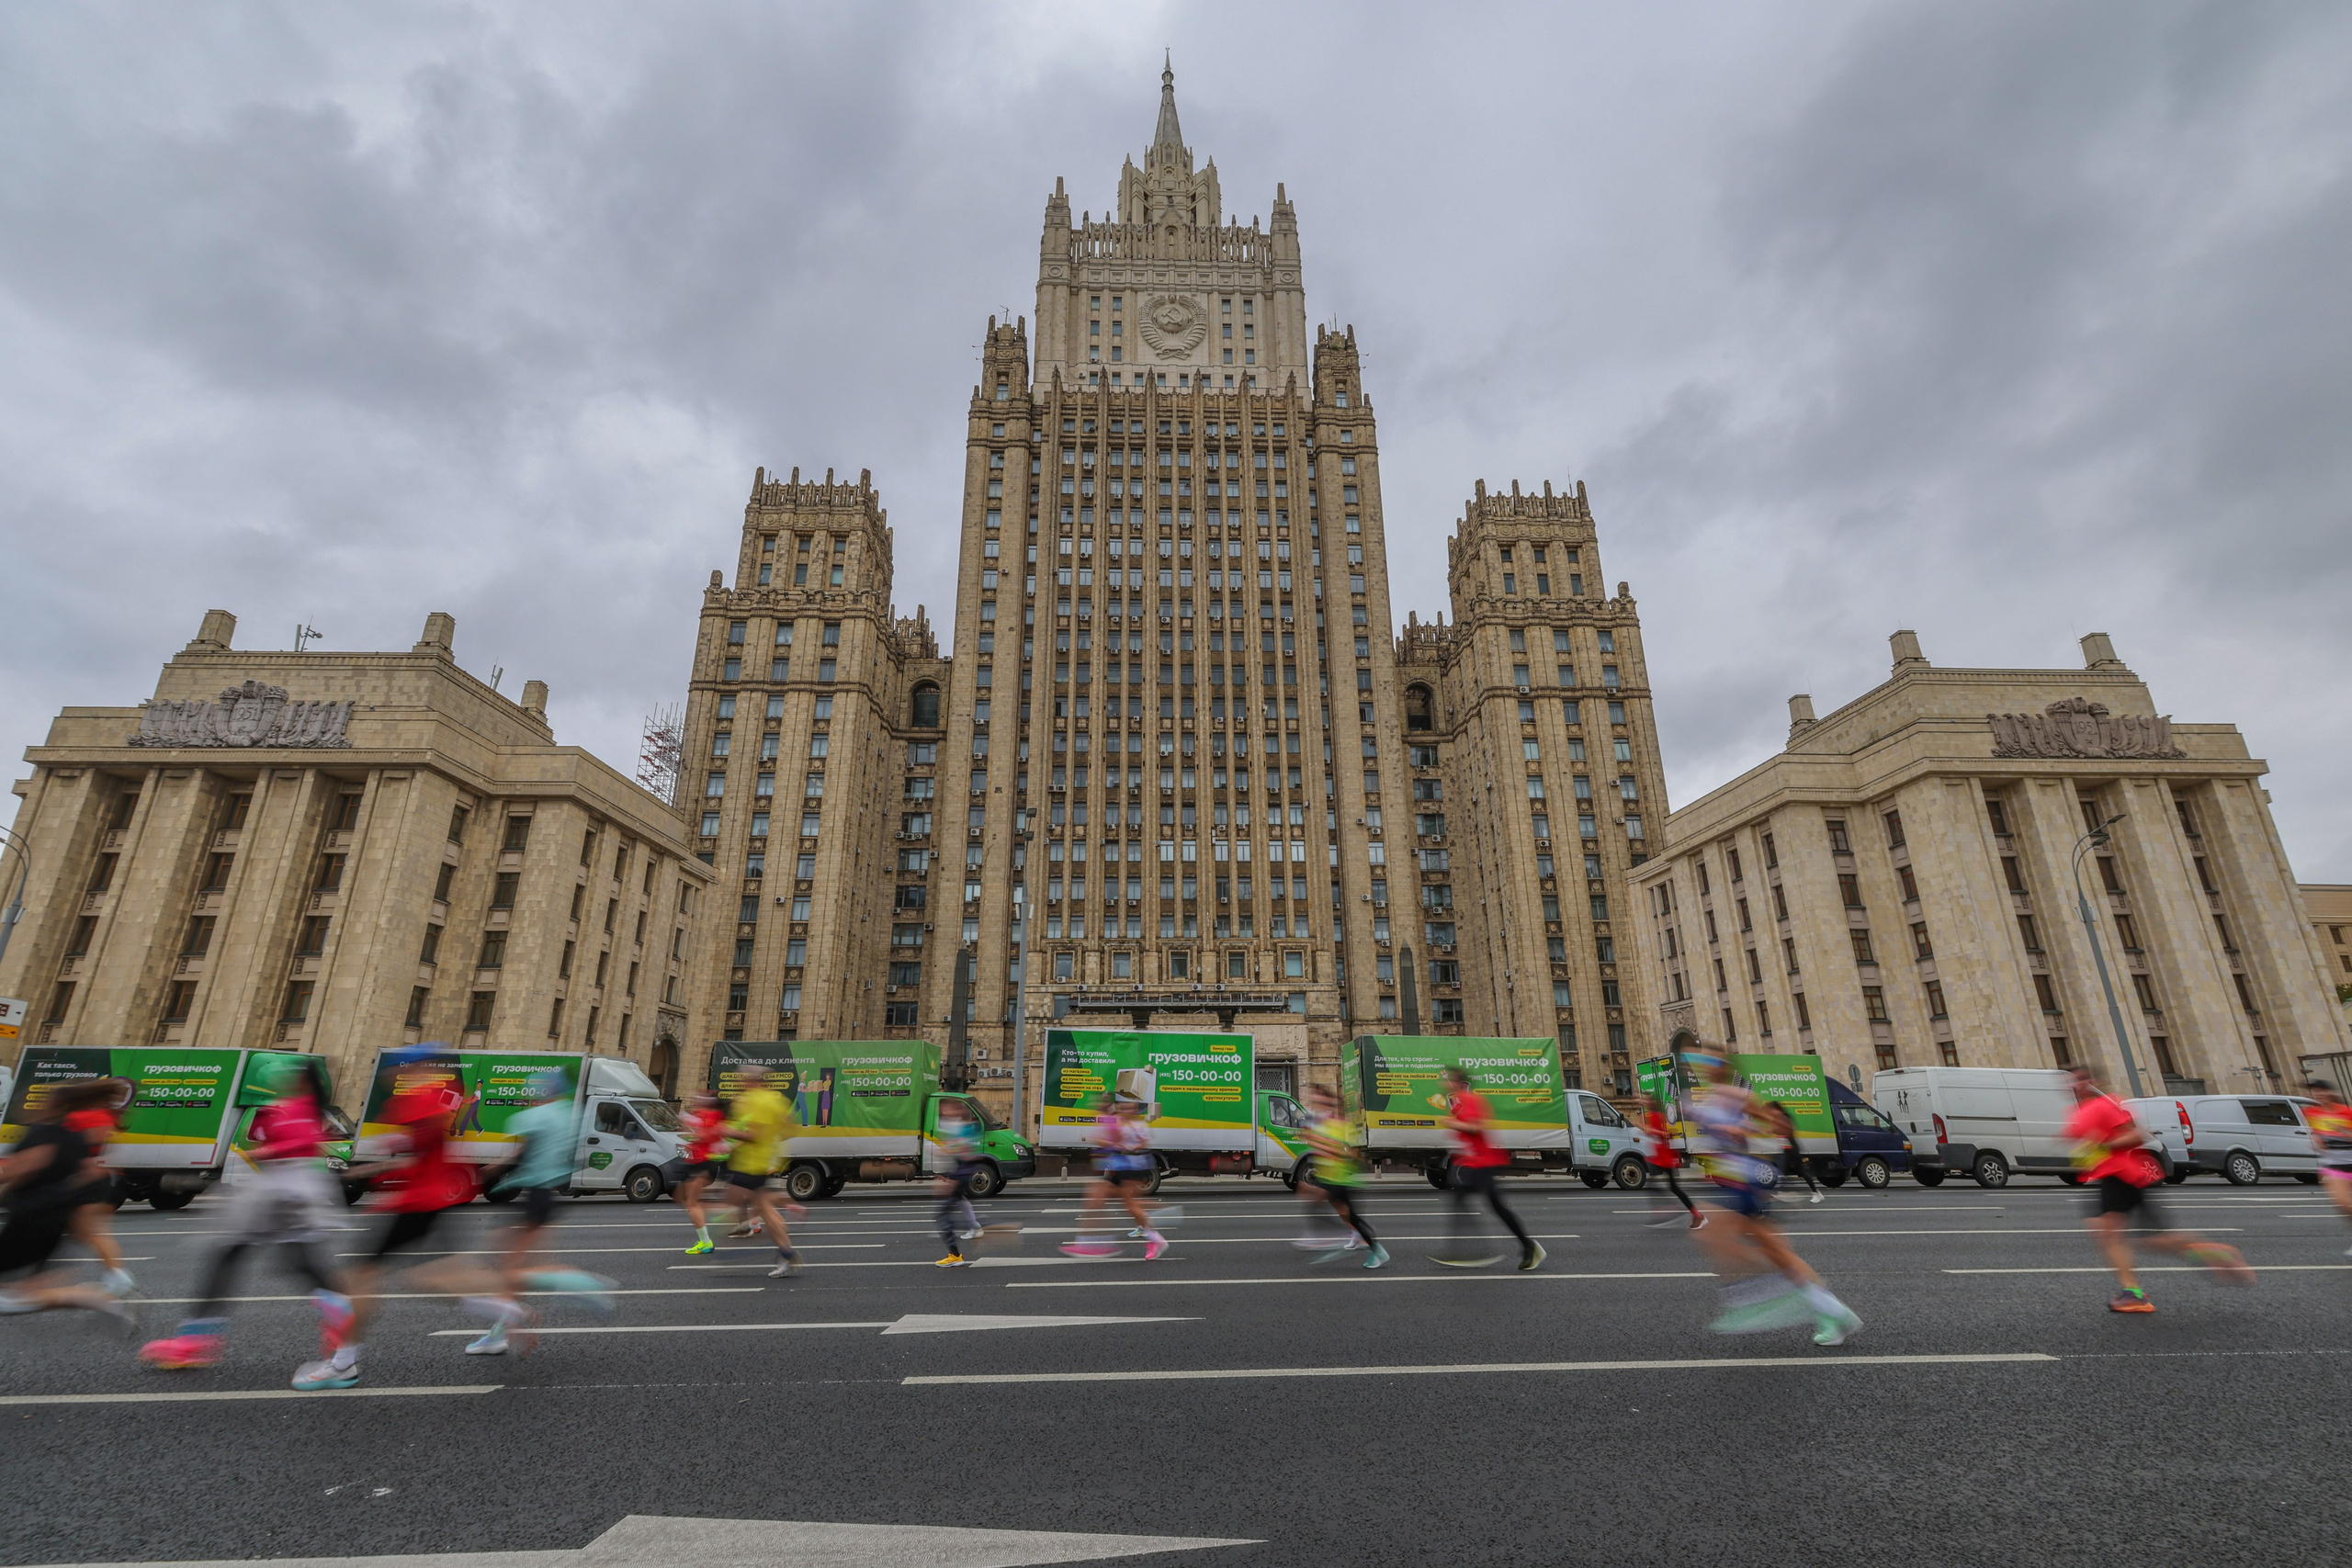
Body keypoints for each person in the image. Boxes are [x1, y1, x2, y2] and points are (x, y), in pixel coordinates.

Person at [140, 1056, 352, 1371]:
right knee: (294, 1263)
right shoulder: (302, 1105)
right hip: (288, 1190)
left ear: (303, 1081)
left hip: (283, 1191)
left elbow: (303, 1142)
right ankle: (342, 1319)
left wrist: (266, 1151)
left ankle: (194, 1341)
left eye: (289, 1078)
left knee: (234, 1255)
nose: (282, 1083)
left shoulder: (299, 1106)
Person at [293, 1052, 481, 1391]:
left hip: (418, 1205)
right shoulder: (424, 1104)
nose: (390, 1074)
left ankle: (343, 1364)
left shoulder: (424, 1104)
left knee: (362, 1280)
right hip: (423, 1203)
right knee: (431, 1279)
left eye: (398, 1068)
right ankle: (509, 1313)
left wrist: (367, 1169)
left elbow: (414, 1159)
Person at [1689, 1055, 1860, 1345]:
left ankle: (1763, 1294)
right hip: (1736, 1178)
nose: (1703, 1069)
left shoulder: (1733, 1095)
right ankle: (1830, 1310)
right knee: (1774, 1251)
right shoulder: (1716, 1098)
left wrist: (1740, 1131)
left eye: (1709, 1065)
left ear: (1721, 1070)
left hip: (1745, 1179)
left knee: (1712, 1233)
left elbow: (1769, 1122)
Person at [2066, 1065, 2252, 1312]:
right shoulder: (2083, 1110)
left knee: (2116, 1236)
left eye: (2081, 1079)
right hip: (2111, 1176)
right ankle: (2210, 1254)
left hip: (2122, 1176)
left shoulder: (2106, 1104)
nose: (2075, 1084)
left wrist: (2101, 1146)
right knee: (2142, 1238)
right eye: (2072, 1080)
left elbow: (2136, 1136)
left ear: (2095, 1081)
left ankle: (2134, 1294)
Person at [462, 1070, 610, 1356]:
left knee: (509, 1266)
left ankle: (581, 1283)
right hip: (544, 1197)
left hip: (535, 1197)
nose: (529, 1097)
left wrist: (495, 1168)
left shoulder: (539, 1117)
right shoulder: (568, 1113)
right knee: (515, 1266)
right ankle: (498, 1333)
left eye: (533, 1093)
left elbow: (523, 1152)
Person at [0, 1078, 136, 1328]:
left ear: (55, 1104)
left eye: (38, 1102)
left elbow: (25, 1167)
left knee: (12, 1298)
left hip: (35, 1216)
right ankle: (97, 1298)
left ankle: (103, 1292)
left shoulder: (49, 1132)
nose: (26, 1106)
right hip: (49, 1214)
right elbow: (90, 1168)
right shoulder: (71, 1134)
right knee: (16, 1295)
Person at [1436, 1066, 1542, 1270]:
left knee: (1494, 1207)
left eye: (1448, 1082)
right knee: (1463, 1200)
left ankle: (1521, 1247)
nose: (1444, 1086)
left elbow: (1476, 1126)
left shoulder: (1472, 1100)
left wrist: (1451, 1123)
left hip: (1483, 1164)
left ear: (1458, 1083)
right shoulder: (1460, 1103)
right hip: (1473, 1163)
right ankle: (1466, 1252)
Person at [707, 1065, 801, 1278]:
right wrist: (771, 1143)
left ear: (752, 1080)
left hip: (747, 1165)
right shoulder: (777, 1101)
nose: (741, 1082)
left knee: (728, 1206)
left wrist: (725, 1130)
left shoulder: (755, 1100)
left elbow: (753, 1134)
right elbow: (791, 1128)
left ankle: (729, 1255)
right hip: (763, 1163)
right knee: (766, 1212)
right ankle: (787, 1253)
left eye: (743, 1078)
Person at [1059, 1096, 1166, 1259]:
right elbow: (1111, 1141)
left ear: (1135, 1110)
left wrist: (1124, 1146)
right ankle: (1094, 1244)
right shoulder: (1118, 1122)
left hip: (1133, 1168)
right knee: (1097, 1198)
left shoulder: (1138, 1125)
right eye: (1123, 1108)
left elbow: (1141, 1144)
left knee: (1128, 1206)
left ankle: (1154, 1239)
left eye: (1130, 1108)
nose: (1126, 1111)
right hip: (1119, 1168)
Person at [1295, 1084, 1386, 1269]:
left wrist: (1318, 1144)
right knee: (1345, 1213)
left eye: (1319, 1099)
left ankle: (1370, 1247)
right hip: (1329, 1177)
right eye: (1314, 1099)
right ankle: (1358, 1238)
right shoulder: (1322, 1123)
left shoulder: (1336, 1123)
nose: (1315, 1102)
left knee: (1339, 1212)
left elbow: (1338, 1151)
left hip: (1341, 1178)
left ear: (1328, 1102)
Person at [61, 1079, 136, 1297]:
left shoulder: (87, 1116)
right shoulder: (104, 1115)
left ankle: (117, 1277)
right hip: (107, 1180)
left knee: (90, 1231)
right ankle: (116, 1276)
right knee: (87, 1231)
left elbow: (83, 1148)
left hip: (98, 1180)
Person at [933, 1100, 985, 1268]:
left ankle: (955, 1255)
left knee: (943, 1216)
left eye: (947, 1109)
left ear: (956, 1111)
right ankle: (974, 1227)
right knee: (960, 1202)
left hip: (962, 1176)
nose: (944, 1112)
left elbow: (963, 1153)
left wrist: (950, 1178)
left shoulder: (965, 1129)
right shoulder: (959, 1128)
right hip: (960, 1174)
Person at [675, 1091, 729, 1256]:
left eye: (703, 1097)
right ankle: (715, 1214)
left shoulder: (713, 1114)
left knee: (691, 1204)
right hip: (698, 1162)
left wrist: (692, 1132)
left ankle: (706, 1242)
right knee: (682, 1198)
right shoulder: (704, 1114)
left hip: (705, 1164)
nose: (697, 1099)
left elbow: (706, 1135)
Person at [2302, 1080, 2352, 1249]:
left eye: (2322, 1091)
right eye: (2315, 1092)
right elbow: (2315, 1132)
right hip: (2334, 1165)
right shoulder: (2311, 1113)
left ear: (2330, 1093)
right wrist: (2316, 1140)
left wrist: (2344, 1131)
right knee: (2343, 1204)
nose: (2319, 1095)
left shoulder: (2346, 1112)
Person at [1641, 1093, 1702, 1230]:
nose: (1645, 1103)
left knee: (1665, 1187)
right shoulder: (1651, 1116)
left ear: (1652, 1103)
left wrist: (1653, 1131)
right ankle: (1689, 1213)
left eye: (1647, 1101)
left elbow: (1667, 1134)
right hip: (1660, 1159)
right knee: (1662, 1187)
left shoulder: (1659, 1117)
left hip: (1666, 1160)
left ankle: (1679, 1212)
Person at [1762, 1100, 1824, 1204]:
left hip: (1792, 1148)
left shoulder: (1784, 1117)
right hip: (1786, 1148)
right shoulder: (1779, 1118)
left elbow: (1789, 1131)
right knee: (1783, 1171)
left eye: (1771, 1110)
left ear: (1775, 1109)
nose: (1770, 1112)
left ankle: (1816, 1193)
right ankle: (1781, 1193)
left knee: (1801, 1171)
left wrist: (1773, 1130)